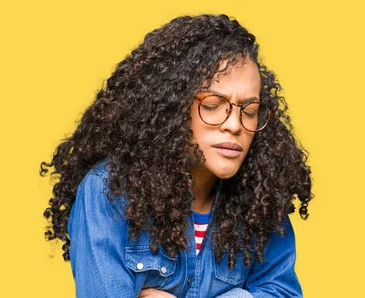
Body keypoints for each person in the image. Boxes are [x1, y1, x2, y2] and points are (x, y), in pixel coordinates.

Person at [39, 14, 313, 298]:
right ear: (172, 108)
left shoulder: (260, 199)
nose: (234, 125)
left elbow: (282, 292)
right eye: (213, 104)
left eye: (250, 110)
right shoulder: (109, 193)